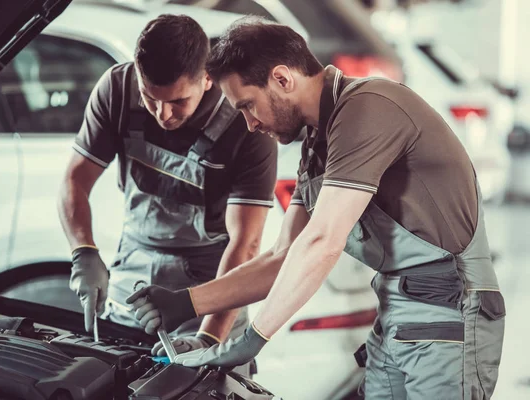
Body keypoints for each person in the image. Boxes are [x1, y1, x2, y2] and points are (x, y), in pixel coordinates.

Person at [127, 17, 505, 399]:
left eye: (248, 106)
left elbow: (322, 241)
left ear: (282, 79)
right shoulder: (317, 142)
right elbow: (283, 257)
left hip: (448, 314)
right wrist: (187, 302)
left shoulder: (368, 107)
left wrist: (252, 339)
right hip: (395, 315)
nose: (250, 124)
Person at [57, 14, 278, 372]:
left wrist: (209, 339)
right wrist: (83, 252)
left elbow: (246, 245)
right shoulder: (117, 87)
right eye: (150, 98)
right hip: (134, 270)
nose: (163, 113)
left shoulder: (245, 121)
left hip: (211, 283)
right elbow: (75, 180)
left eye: (177, 101)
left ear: (207, 78)